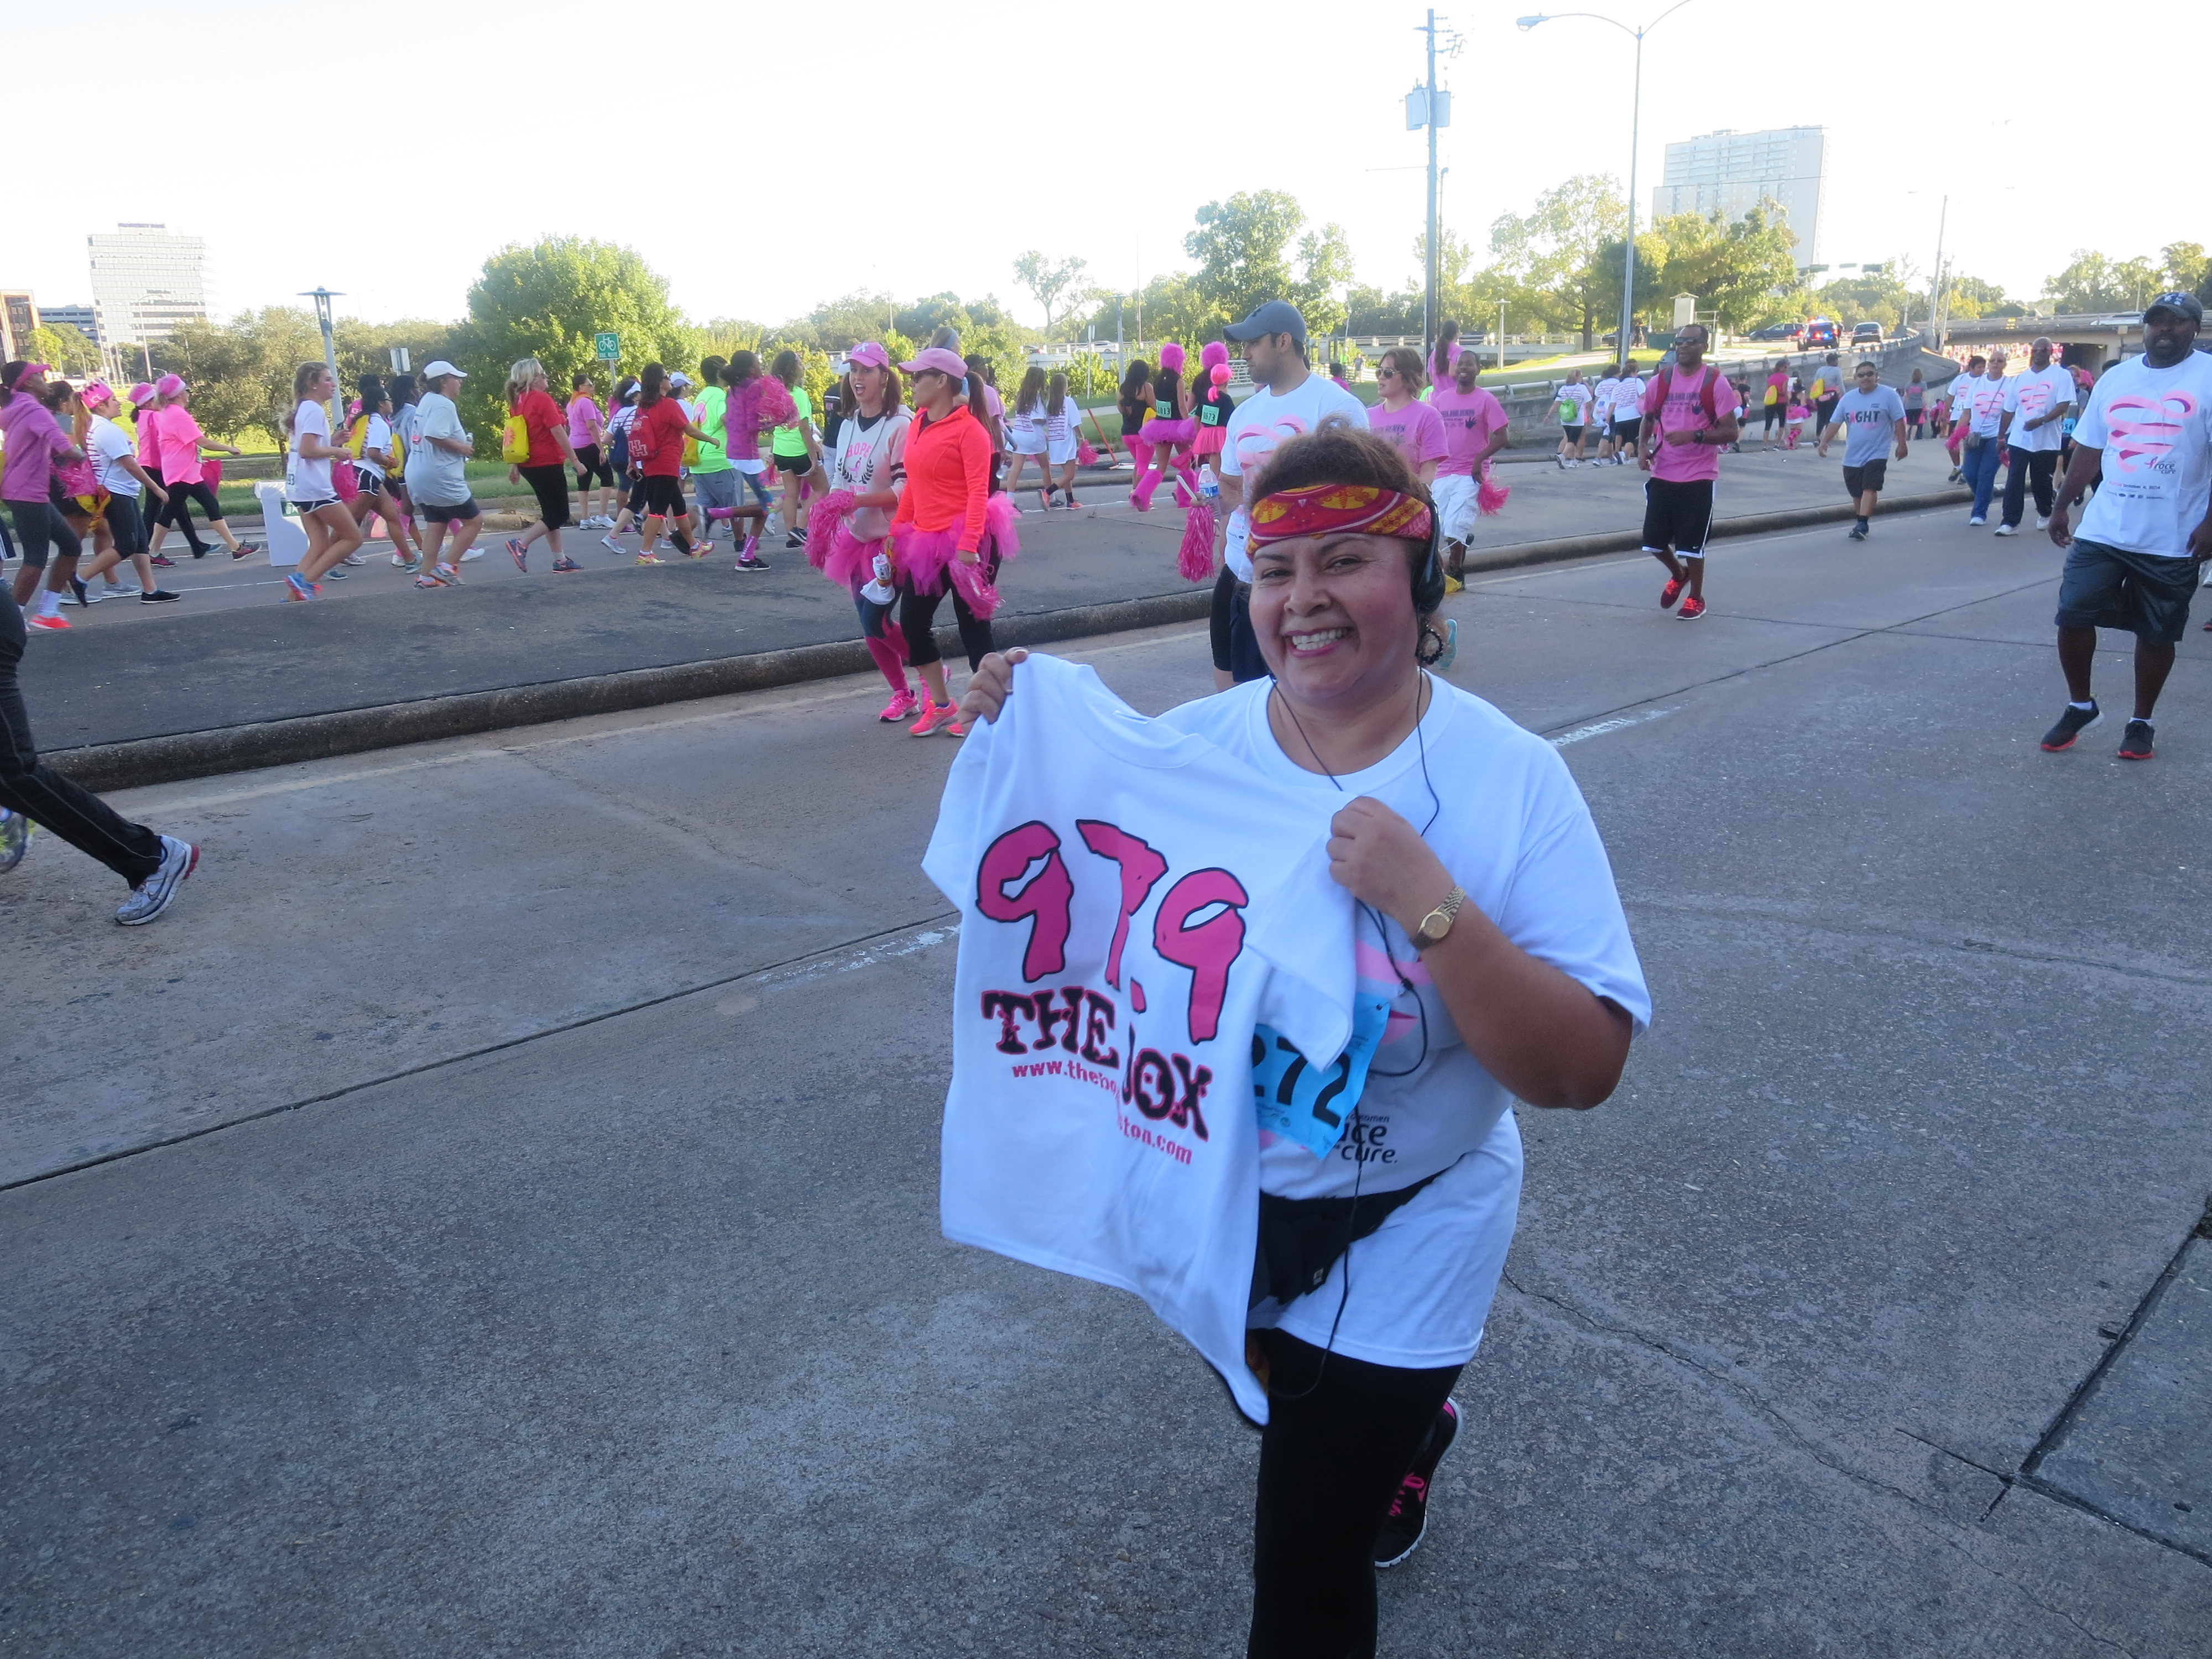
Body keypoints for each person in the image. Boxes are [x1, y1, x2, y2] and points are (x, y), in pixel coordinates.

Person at [954, 422, 1647, 1659]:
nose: (1303, 600)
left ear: (1419, 581)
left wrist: (1428, 906)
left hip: (1415, 1213)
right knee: (1283, 1419)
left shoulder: (1509, 780)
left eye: (1345, 562)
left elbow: (1579, 1070)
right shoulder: (1194, 755)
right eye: (1274, 571)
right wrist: (1023, 730)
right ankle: (1411, 1436)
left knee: (1306, 1547)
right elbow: (1071, 899)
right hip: (1230, 1196)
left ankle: (1389, 1430)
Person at [2041, 293, 2212, 762]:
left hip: (2173, 536)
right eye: (2157, 322)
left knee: (2157, 633)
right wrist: (2061, 506)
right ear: (2146, 328)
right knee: (2073, 613)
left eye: (2177, 323)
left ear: (2194, 329)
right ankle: (2081, 705)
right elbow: (2090, 449)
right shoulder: (2116, 378)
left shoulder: (2209, 377)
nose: (2165, 331)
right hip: (2104, 529)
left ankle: (2141, 721)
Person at [1213, 300, 1370, 688]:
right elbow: (1231, 487)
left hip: (1295, 583)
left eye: (1252, 343)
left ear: (1284, 341)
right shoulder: (1245, 412)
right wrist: (1218, 509)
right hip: (1239, 573)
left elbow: (1352, 500)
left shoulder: (1334, 405)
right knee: (1230, 699)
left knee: (1292, 703)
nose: (1244, 354)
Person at [889, 346, 1017, 738]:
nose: (911, 384)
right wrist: (897, 531)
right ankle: (942, 704)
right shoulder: (918, 423)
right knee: (912, 623)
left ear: (942, 381)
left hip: (970, 539)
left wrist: (969, 544)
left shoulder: (970, 430)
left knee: (973, 628)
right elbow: (914, 483)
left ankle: (988, 712)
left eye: (918, 377)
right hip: (928, 541)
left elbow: (979, 491)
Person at [812, 341, 915, 719]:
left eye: (867, 370)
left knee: (878, 619)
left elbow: (906, 490)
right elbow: (841, 476)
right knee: (868, 624)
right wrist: (832, 505)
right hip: (855, 539)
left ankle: (930, 669)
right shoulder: (849, 422)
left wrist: (856, 502)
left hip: (892, 540)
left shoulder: (901, 425)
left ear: (884, 377)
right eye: (853, 369)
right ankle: (902, 694)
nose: (857, 377)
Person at [1637, 321, 1740, 620]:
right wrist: (1643, 448)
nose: (1682, 346)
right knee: (1653, 541)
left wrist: (1693, 436)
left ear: (1703, 346)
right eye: (1679, 342)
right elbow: (1649, 417)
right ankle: (1678, 574)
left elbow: (1731, 432)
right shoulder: (1662, 381)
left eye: (1690, 342)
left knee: (1692, 545)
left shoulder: (1715, 382)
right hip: (1664, 471)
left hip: (1699, 474)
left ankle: (1696, 598)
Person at [2, 361, 88, 625]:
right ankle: (13, 623)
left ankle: (48, 611)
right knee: (36, 558)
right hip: (26, 491)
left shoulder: (17, 406)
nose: (45, 379)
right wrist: (84, 457)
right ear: (28, 382)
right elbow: (64, 446)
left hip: (26, 490)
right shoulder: (32, 409)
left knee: (71, 546)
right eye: (39, 375)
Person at [77, 382, 176, 603]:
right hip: (117, 493)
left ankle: (150, 591)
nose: (118, 402)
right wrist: (156, 487)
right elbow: (129, 464)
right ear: (101, 406)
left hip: (120, 492)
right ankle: (80, 579)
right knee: (126, 545)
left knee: (140, 542)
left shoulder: (96, 426)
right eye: (113, 400)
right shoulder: (106, 430)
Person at [145, 375, 254, 561]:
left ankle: (236, 548)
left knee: (211, 506)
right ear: (179, 395)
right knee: (169, 513)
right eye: (186, 390)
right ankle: (152, 552)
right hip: (181, 473)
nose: (189, 394)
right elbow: (202, 441)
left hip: (188, 472)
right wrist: (229, 448)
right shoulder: (177, 414)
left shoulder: (169, 412)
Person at [281, 363, 365, 599]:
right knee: (353, 538)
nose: (334, 385)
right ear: (313, 384)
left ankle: (291, 600)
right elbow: (308, 451)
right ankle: (305, 583)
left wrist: (334, 442)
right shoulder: (315, 411)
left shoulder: (305, 409)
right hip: (316, 488)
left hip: (300, 486)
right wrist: (338, 452)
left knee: (319, 545)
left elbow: (308, 448)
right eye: (328, 380)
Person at [1430, 351, 1510, 587]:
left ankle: (1456, 573)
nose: (1464, 368)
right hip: (1443, 471)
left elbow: (1502, 436)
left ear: (1478, 369)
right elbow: (1432, 432)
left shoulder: (1486, 400)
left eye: (1469, 364)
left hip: (1470, 472)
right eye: (1460, 364)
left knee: (1456, 525)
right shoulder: (1442, 399)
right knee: (1439, 524)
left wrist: (1479, 460)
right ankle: (1463, 541)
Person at [404, 361, 484, 587]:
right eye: (455, 378)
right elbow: (433, 434)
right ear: (443, 381)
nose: (459, 383)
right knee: (474, 522)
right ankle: (447, 567)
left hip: (418, 474)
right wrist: (462, 448)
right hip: (440, 476)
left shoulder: (426, 401)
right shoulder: (443, 405)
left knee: (436, 523)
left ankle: (426, 576)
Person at [628, 362, 714, 565]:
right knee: (658, 510)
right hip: (666, 461)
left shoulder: (643, 407)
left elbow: (635, 435)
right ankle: (645, 553)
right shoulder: (668, 405)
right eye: (666, 376)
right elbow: (689, 430)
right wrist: (711, 439)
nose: (669, 381)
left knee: (679, 506)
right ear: (660, 382)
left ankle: (694, 546)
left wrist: (633, 461)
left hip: (651, 462)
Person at [499, 358, 580, 572]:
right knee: (560, 514)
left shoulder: (517, 402)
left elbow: (518, 437)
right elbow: (558, 431)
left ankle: (560, 559)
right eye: (542, 374)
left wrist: (515, 465)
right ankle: (521, 544)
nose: (546, 377)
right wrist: (576, 461)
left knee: (550, 513)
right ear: (532, 378)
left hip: (528, 464)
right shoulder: (541, 400)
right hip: (547, 462)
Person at [1816, 359, 1908, 541]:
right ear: (1855, 378)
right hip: (1853, 454)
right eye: (1861, 375)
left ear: (1877, 376)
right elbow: (1835, 422)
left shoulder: (1889, 395)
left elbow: (1899, 421)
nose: (1866, 378)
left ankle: (1863, 523)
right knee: (1857, 492)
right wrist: (1824, 441)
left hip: (1878, 452)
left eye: (1870, 374)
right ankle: (1861, 521)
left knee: (1870, 486)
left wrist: (1902, 444)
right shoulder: (1848, 399)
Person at [1995, 336, 2075, 538]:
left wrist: (2041, 421)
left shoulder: (2061, 375)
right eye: (2036, 351)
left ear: (2050, 352)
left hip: (2046, 440)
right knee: (2015, 479)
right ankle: (2010, 522)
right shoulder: (2020, 379)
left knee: (2041, 480)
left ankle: (2046, 512)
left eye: (2043, 350)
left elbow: (2063, 405)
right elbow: (2008, 410)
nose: (2038, 354)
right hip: (2020, 439)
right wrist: (2001, 437)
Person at [1368, 348, 1446, 488]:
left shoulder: (1428, 416)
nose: (1381, 377)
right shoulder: (1366, 416)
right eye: (1379, 371)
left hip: (1409, 500)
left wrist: (1417, 498)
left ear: (1408, 377)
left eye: (1388, 373)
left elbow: (1429, 470)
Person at [1132, 343, 1196, 512]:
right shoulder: (1178, 380)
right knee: (1186, 464)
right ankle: (1185, 499)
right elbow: (1183, 407)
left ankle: (1141, 494)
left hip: (1159, 426)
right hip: (1177, 427)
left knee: (1161, 465)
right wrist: (1189, 426)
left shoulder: (1158, 380)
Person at [768, 349, 820, 549]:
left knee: (791, 494)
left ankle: (792, 535)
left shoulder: (774, 394)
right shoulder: (799, 394)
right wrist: (813, 455)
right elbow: (804, 427)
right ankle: (800, 527)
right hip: (799, 450)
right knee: (822, 489)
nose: (802, 366)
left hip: (782, 450)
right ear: (792, 369)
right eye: (799, 363)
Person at [1958, 349, 2010, 525]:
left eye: (2000, 361)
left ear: (2005, 364)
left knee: (1986, 474)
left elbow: (2011, 413)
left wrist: (2006, 436)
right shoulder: (1977, 383)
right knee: (1969, 472)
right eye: (1993, 360)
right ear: (1989, 363)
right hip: (1975, 434)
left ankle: (1979, 513)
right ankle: (1987, 495)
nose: (1996, 363)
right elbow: (1967, 412)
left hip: (1997, 435)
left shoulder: (2009, 384)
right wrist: (1957, 435)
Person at [568, 372, 615, 528]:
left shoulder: (572, 402)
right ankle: (602, 515)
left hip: (576, 445)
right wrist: (601, 449)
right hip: (589, 444)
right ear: (581, 387)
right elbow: (592, 426)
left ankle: (585, 518)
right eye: (589, 385)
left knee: (584, 480)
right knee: (607, 476)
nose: (592, 387)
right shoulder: (585, 402)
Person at [1003, 364, 1052, 505]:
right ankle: (1050, 497)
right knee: (1045, 467)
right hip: (1034, 436)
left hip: (1019, 434)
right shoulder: (1037, 397)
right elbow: (1036, 418)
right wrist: (1045, 421)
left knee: (1017, 468)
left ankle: (1010, 499)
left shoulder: (1021, 395)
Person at [1043, 371, 1084, 509]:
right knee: (1070, 475)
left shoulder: (1050, 404)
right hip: (1067, 441)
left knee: (1066, 473)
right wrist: (1081, 437)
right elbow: (1075, 423)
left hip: (1055, 443)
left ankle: (1070, 500)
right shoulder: (1068, 401)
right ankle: (1048, 492)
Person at [1553, 367, 1593, 467]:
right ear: (1578, 377)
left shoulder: (1563, 388)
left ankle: (1573, 460)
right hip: (1578, 419)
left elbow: (1556, 403)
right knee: (1573, 441)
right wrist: (1589, 416)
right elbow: (1589, 403)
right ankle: (1563, 456)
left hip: (1565, 418)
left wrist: (1549, 415)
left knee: (1569, 438)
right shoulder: (1582, 388)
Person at [1609, 359, 1645, 463]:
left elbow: (1613, 403)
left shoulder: (1618, 386)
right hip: (1634, 414)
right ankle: (1623, 454)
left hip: (1620, 416)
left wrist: (1607, 418)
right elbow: (1643, 396)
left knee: (1622, 436)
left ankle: (1620, 454)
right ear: (1633, 373)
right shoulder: (1637, 381)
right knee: (1632, 439)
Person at [1590, 364, 1622, 465]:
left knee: (1609, 435)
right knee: (1607, 435)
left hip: (1601, 412)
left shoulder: (1601, 384)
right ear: (1617, 373)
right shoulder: (1618, 383)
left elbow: (1596, 399)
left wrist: (1592, 413)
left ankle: (1611, 457)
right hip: (1613, 412)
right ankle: (1598, 458)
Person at [1809, 352, 1845, 440]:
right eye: (1837, 360)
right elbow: (1841, 385)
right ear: (1834, 361)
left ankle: (1818, 437)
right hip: (1832, 396)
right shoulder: (1837, 370)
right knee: (1830, 417)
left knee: (1821, 417)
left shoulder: (1820, 370)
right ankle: (1826, 438)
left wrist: (1814, 398)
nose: (1838, 362)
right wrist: (1844, 396)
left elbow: (1815, 384)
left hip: (1820, 397)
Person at [1762, 359, 1789, 448]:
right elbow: (1785, 391)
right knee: (1782, 423)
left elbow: (1768, 390)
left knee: (1768, 424)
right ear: (1781, 367)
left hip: (1770, 402)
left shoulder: (1771, 378)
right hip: (1781, 401)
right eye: (1785, 367)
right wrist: (1788, 401)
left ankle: (1765, 446)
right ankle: (1777, 444)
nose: (1786, 369)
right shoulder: (1785, 378)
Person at [1903, 367, 1927, 440]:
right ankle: (1912, 439)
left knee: (1908, 423)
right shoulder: (1923, 384)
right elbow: (1924, 396)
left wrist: (1904, 404)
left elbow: (1905, 396)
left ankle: (1906, 434)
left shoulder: (1908, 384)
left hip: (1909, 406)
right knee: (1915, 423)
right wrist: (1925, 405)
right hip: (1918, 406)